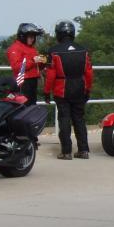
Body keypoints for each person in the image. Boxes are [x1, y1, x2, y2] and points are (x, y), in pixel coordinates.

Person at [44, 20, 94, 160]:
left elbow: (50, 75)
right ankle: (83, 150)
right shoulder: (83, 50)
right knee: (79, 119)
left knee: (64, 119)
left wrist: (46, 92)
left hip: (62, 89)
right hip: (80, 87)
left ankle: (66, 152)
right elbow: (89, 73)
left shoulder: (54, 51)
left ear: (58, 34)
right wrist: (88, 89)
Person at [6, 23, 46, 105]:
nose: (33, 39)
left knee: (32, 106)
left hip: (33, 81)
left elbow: (35, 65)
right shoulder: (15, 48)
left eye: (34, 37)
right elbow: (16, 67)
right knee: (23, 106)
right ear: (23, 36)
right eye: (30, 37)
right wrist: (33, 61)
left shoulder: (31, 48)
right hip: (23, 82)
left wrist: (42, 62)